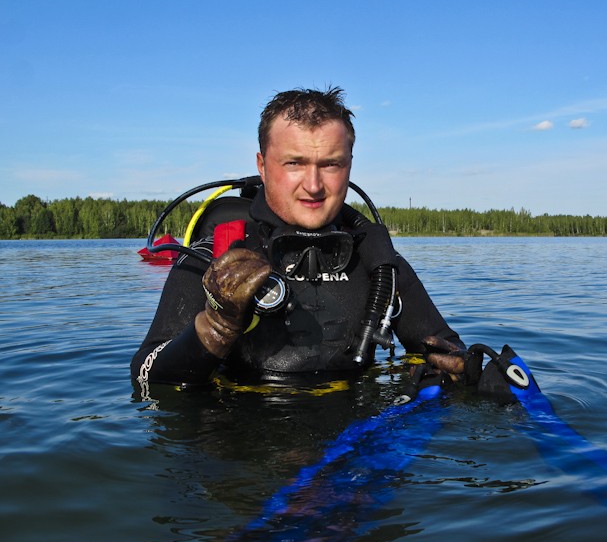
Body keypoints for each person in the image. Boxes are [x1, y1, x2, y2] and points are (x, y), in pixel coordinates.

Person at [131, 87, 465, 391]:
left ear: (349, 164)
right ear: (262, 166)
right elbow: (146, 378)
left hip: (357, 448)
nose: (314, 185)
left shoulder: (378, 262)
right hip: (241, 447)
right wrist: (217, 327)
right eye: (294, 163)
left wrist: (469, 369)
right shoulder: (214, 257)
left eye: (331, 164)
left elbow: (449, 352)